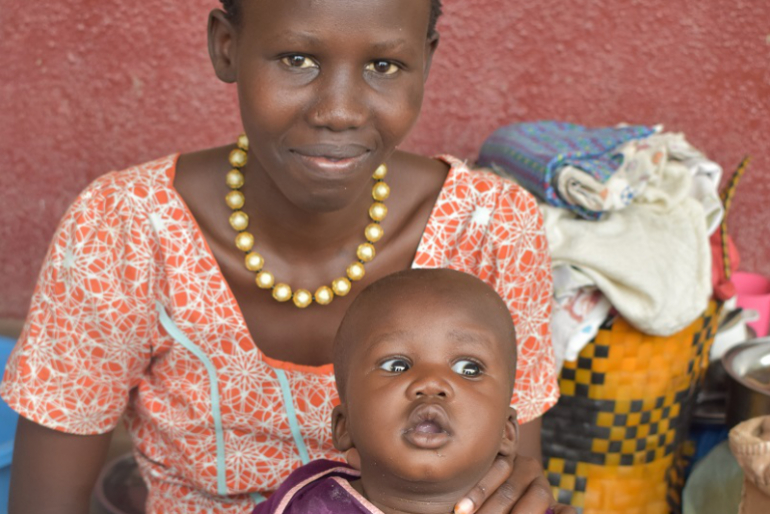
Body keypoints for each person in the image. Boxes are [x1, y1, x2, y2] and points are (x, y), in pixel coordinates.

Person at [1, 1, 563, 513]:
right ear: (226, 46)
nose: (340, 112)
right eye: (298, 59)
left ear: (426, 59)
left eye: (384, 66)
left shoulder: (490, 228)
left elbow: (509, 474)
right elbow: (45, 501)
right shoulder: (124, 228)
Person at [254, 268, 562, 514]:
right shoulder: (302, 503)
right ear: (344, 426)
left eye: (469, 368)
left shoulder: (527, 509)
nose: (431, 383)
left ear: (507, 433)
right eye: (397, 365)